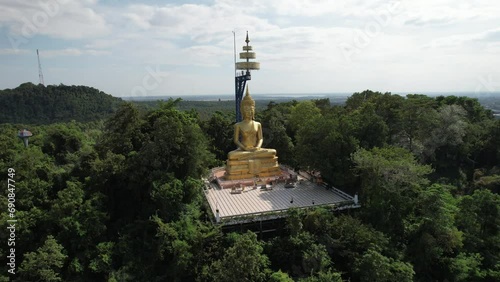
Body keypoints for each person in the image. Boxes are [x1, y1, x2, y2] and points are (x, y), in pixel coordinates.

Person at [227, 87, 276, 160]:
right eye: (246, 110)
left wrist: (257, 147)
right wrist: (245, 149)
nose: (249, 112)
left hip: (256, 150)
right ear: (242, 111)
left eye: (251, 110)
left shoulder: (258, 124)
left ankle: (252, 155)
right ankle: (250, 155)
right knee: (231, 155)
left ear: (253, 111)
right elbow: (236, 140)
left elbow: (261, 138)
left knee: (273, 152)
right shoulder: (238, 125)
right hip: (243, 150)